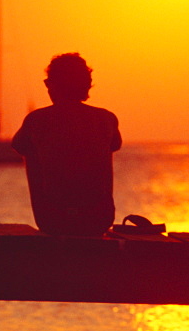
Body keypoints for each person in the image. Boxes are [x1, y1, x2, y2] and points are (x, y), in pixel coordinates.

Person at [12, 53, 122, 236]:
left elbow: (18, 145)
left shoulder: (37, 120)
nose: (46, 88)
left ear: (55, 84)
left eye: (48, 82)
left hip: (52, 221)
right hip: (99, 220)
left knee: (29, 148)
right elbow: (115, 144)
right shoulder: (106, 119)